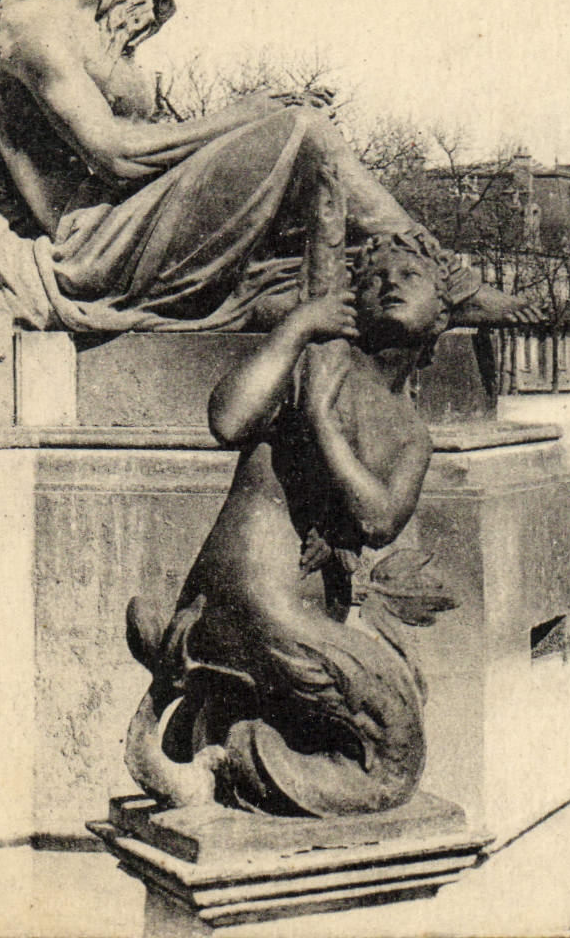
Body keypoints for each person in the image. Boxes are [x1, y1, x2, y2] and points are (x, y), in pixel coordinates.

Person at [0, 0, 529, 333]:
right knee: (301, 128)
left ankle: (416, 283)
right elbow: (117, 156)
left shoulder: (87, 27)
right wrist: (251, 115)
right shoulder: (35, 27)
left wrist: (257, 121)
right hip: (94, 245)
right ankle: (452, 285)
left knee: (302, 167)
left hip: (134, 217)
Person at [122, 231, 481, 816]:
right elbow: (228, 420)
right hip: (257, 598)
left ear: (441, 313)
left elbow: (379, 518)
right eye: (371, 280)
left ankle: (230, 748)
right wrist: (295, 328)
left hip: (294, 616)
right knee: (396, 752)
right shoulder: (317, 360)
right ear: (350, 306)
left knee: (389, 736)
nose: (388, 283)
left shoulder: (412, 434)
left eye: (409, 277)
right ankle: (232, 754)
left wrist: (320, 421)